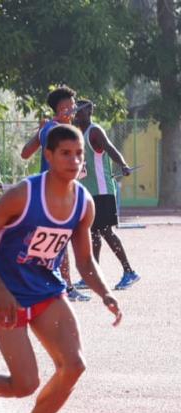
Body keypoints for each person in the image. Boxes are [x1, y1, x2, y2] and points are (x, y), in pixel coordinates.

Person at [0, 124, 122, 413]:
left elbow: (84, 261)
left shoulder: (83, 203)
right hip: (7, 293)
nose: (75, 160)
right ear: (48, 156)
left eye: (79, 154)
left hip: (46, 288)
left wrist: (105, 292)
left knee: (74, 365)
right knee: (25, 385)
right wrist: (0, 290)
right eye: (66, 153)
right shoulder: (23, 195)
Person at [20, 85, 89, 301]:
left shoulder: (54, 128)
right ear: (56, 111)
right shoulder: (53, 130)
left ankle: (43, 284)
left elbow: (26, 152)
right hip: (51, 192)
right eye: (65, 107)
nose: (70, 110)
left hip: (58, 190)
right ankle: (66, 288)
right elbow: (26, 153)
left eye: (72, 106)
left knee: (51, 239)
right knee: (60, 238)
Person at [72, 100, 141, 290]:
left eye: (79, 111)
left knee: (105, 232)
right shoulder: (78, 133)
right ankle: (92, 276)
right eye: (75, 111)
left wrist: (124, 165)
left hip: (102, 191)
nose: (76, 114)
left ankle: (129, 272)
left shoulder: (94, 131)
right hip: (89, 192)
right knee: (93, 233)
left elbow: (110, 148)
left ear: (88, 111)